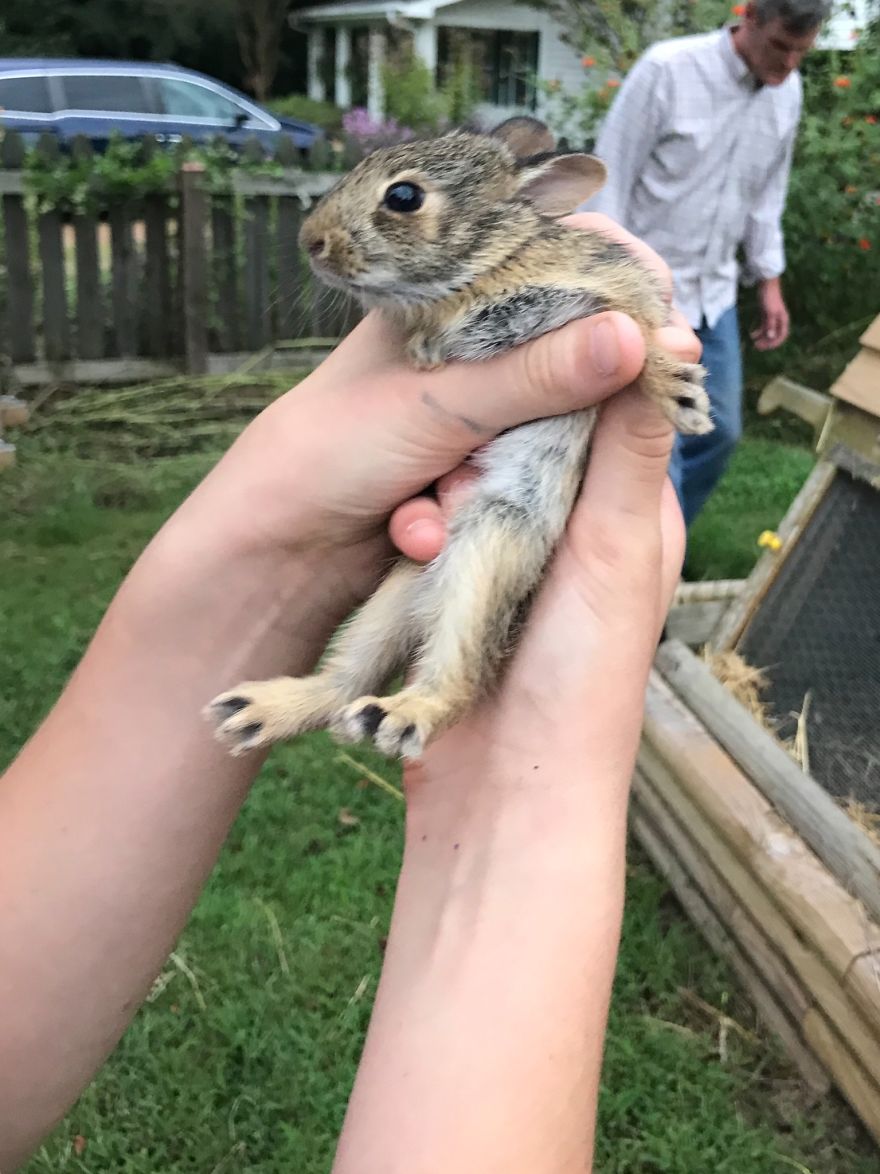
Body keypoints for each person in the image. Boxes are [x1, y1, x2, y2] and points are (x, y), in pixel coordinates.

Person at [0, 215, 699, 1173]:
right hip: (490, 482)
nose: (325, 240)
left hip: (531, 493)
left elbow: (613, 321)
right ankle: (327, 691)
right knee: (426, 572)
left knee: (475, 557)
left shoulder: (555, 269)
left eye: (398, 205)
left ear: (502, 211)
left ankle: (439, 698)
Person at [583, 0, 830, 527]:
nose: (789, 65)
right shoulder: (668, 70)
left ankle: (663, 546)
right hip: (644, 295)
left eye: (801, 54)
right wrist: (606, 288)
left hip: (714, 296)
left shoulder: (788, 93)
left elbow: (767, 197)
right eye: (781, 47)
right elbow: (610, 180)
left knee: (720, 434)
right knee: (656, 448)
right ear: (750, 18)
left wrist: (770, 282)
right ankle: (647, 572)